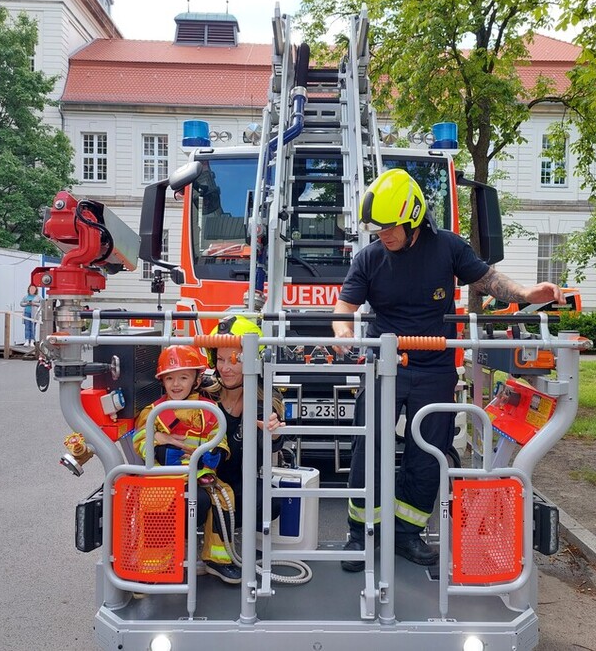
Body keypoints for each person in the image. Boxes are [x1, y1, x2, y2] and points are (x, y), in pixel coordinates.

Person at [331, 169, 564, 571]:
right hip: (384, 366)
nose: (383, 234)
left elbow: (487, 279)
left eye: (390, 227)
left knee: (430, 451)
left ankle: (406, 533)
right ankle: (361, 534)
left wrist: (527, 294)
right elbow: (345, 308)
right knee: (369, 447)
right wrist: (343, 332)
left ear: (414, 218)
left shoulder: (448, 248)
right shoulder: (369, 257)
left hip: (435, 367)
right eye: (378, 228)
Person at [131, 344, 240, 584]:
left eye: (183, 377)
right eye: (170, 378)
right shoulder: (153, 412)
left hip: (199, 474)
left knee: (225, 497)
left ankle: (217, 559)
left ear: (196, 379)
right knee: (154, 502)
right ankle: (155, 565)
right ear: (162, 381)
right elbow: (138, 440)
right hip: (164, 477)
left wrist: (214, 455)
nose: (176, 384)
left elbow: (220, 440)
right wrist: (159, 446)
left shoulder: (209, 410)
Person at [202, 315, 286, 530]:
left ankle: (224, 529)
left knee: (268, 503)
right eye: (220, 359)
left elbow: (269, 442)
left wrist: (273, 433)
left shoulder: (266, 400)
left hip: (239, 487)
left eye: (233, 359)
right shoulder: (203, 394)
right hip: (203, 482)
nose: (225, 368)